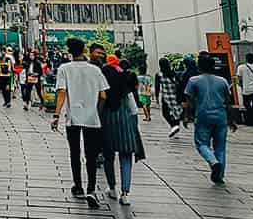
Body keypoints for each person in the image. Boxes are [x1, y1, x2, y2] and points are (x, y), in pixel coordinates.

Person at [52, 38, 108, 208]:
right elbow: (104, 96)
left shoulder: (64, 69)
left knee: (74, 152)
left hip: (73, 118)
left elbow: (62, 92)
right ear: (84, 51)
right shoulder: (95, 70)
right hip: (92, 118)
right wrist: (97, 111)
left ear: (70, 52)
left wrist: (56, 115)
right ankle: (92, 189)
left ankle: (78, 186)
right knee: (91, 155)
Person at [184, 53, 236, 184]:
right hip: (221, 117)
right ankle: (220, 176)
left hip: (203, 116)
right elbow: (228, 102)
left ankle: (213, 163)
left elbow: (188, 102)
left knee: (201, 144)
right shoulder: (223, 81)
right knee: (220, 147)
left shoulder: (193, 81)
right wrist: (231, 120)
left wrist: (186, 116)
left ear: (199, 67)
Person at [100, 63, 145, 205]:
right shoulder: (126, 92)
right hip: (126, 128)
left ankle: (112, 187)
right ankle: (125, 193)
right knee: (126, 159)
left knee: (108, 157)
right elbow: (134, 112)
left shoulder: (105, 94)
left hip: (108, 126)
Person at [155, 57, 184, 137]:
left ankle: (173, 126)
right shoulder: (174, 73)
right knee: (176, 112)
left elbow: (157, 87)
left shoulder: (159, 74)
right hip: (175, 96)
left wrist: (156, 97)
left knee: (165, 113)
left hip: (166, 97)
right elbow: (180, 84)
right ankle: (176, 125)